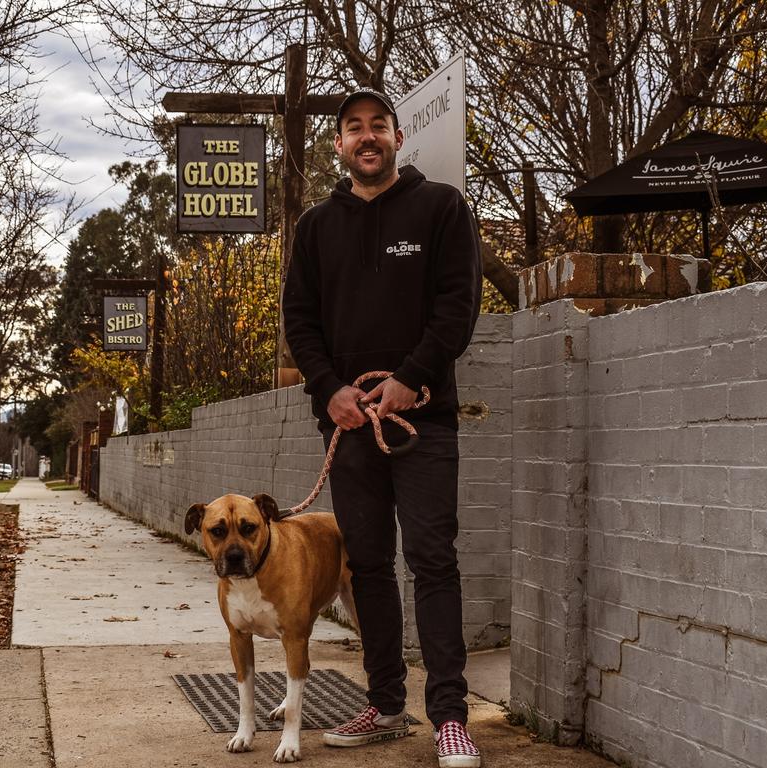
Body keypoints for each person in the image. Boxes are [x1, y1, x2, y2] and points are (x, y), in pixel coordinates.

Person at [282, 87, 483, 768]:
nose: (367, 137)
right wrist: (331, 390)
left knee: (432, 562)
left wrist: (408, 378)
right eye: (353, 129)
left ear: (398, 137)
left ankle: (450, 718)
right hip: (348, 425)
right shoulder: (315, 228)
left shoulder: (441, 209)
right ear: (337, 145)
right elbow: (300, 323)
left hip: (422, 424)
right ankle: (388, 705)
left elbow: (458, 306)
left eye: (378, 126)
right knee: (367, 565)